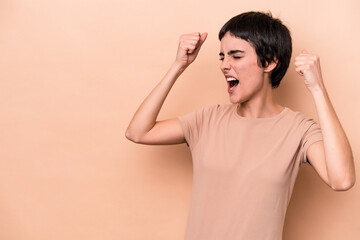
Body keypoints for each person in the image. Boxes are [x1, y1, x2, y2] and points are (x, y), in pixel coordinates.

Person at [125, 11, 355, 240]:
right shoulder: (207, 120)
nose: (224, 65)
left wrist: (318, 89)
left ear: (270, 61)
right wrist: (178, 65)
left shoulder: (299, 130)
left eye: (235, 56)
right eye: (222, 56)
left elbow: (341, 179)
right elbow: (138, 132)